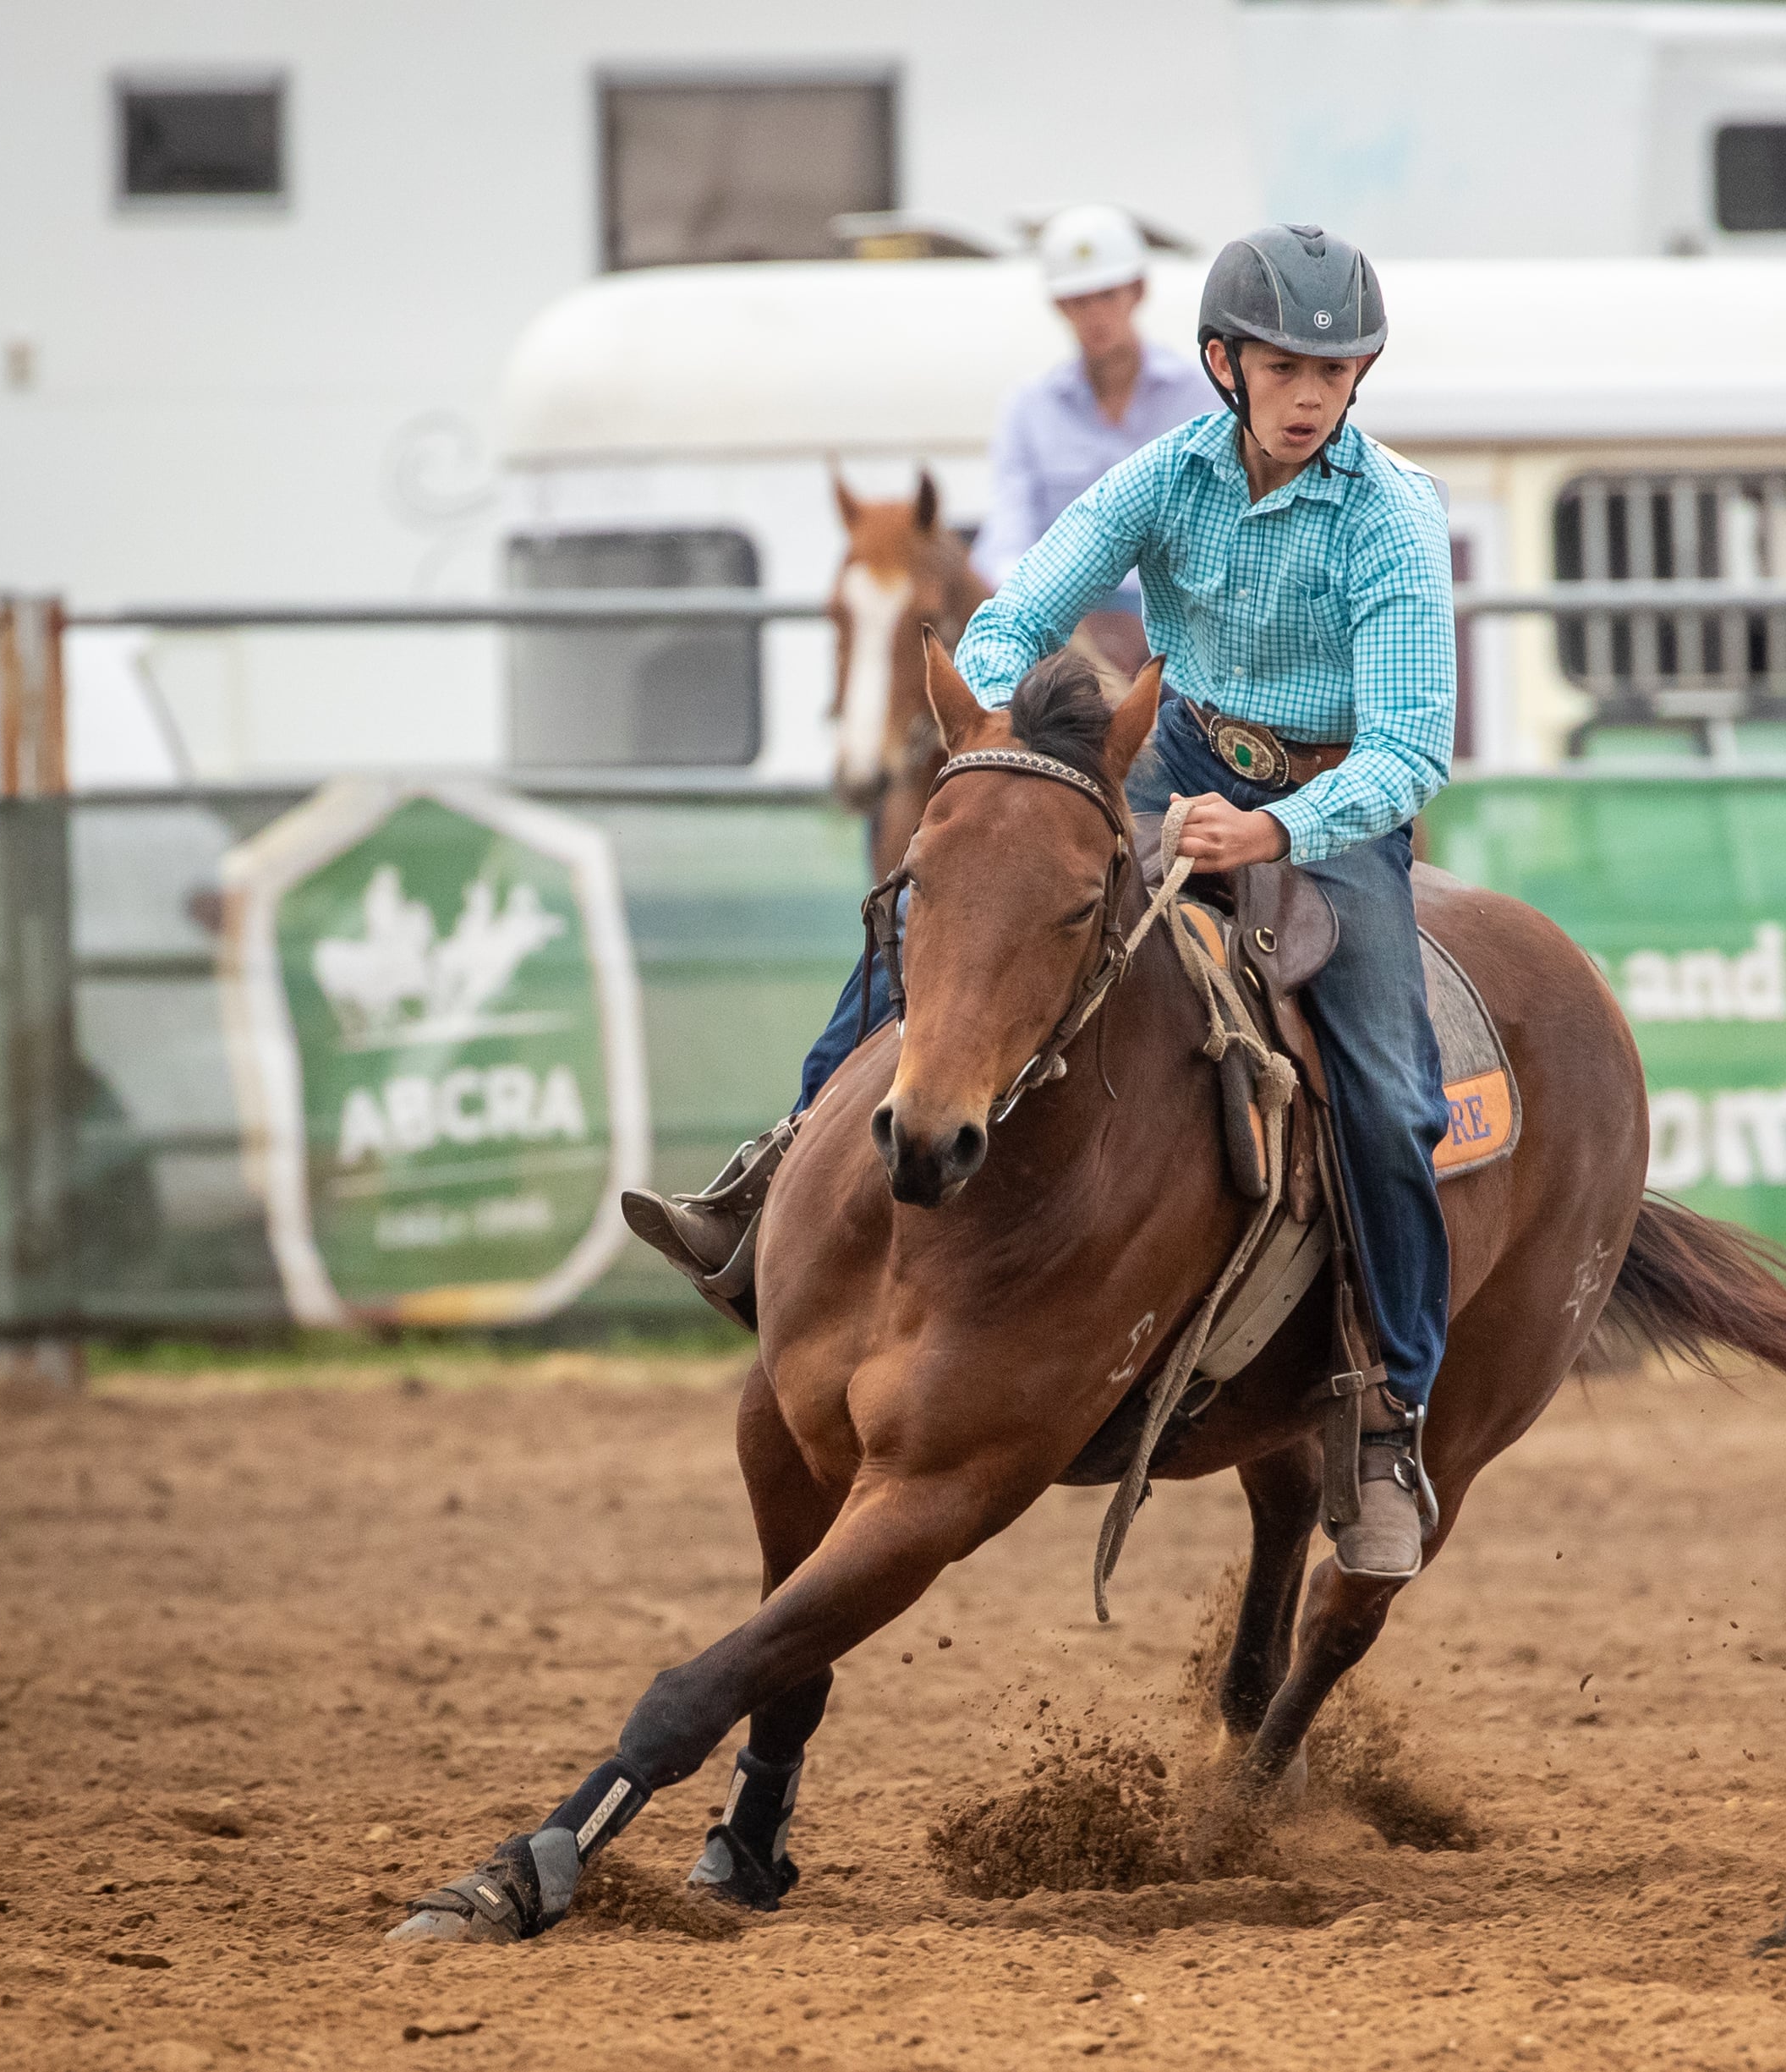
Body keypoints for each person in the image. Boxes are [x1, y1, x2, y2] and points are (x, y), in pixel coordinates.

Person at [624, 225, 1456, 1584]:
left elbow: (1411, 748)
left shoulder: (1393, 514)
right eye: (1283, 367)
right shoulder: (1166, 476)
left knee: (1392, 1090)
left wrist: (1272, 825)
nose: (1309, 393)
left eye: (1334, 369)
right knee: (958, 898)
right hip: (1174, 752)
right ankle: (774, 1178)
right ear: (1225, 364)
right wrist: (1012, 736)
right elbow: (1014, 615)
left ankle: (1386, 1416)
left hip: (1332, 800)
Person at [972, 205, 1215, 673]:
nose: (1095, 314)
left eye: (1107, 294)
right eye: (1078, 300)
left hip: (1184, 633)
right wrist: (1037, 612)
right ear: (1059, 307)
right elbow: (1006, 534)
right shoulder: (1028, 408)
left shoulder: (1201, 397)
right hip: (1064, 635)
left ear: (1137, 291)